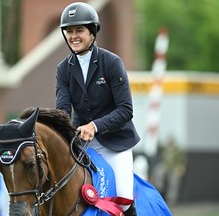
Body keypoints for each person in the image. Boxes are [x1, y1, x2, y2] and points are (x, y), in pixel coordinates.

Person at [56, 2, 140, 215]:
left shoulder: (111, 63)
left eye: (79, 30)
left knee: (124, 199)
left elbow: (125, 109)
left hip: (116, 143)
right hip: (82, 144)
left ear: (92, 33)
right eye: (69, 31)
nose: (73, 36)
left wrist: (94, 126)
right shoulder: (63, 69)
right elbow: (63, 110)